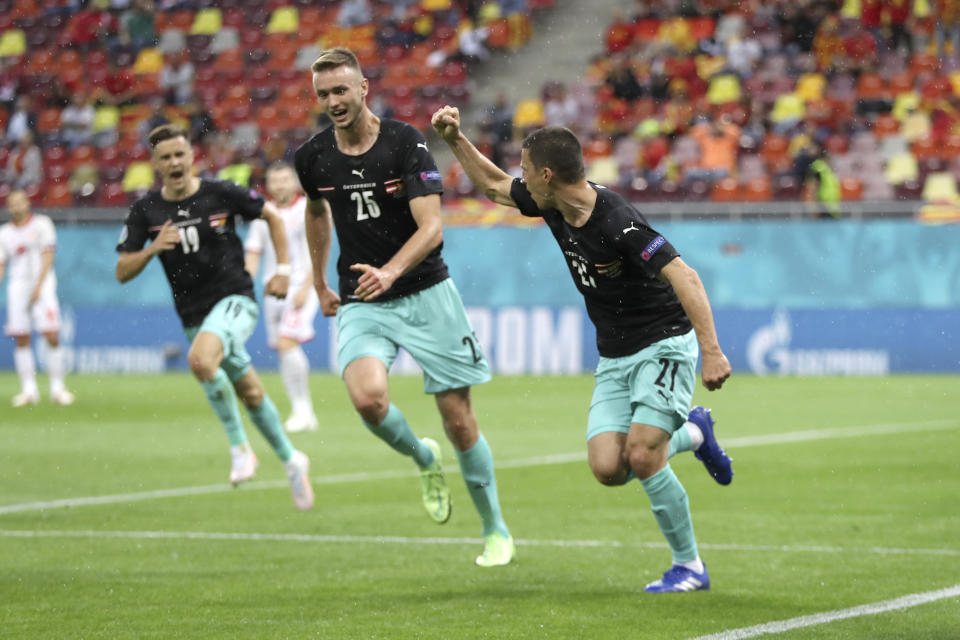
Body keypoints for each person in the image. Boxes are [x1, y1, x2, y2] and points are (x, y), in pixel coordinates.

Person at [432, 106, 735, 592]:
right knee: (608, 468)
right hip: (615, 354)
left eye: (527, 171)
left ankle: (690, 566)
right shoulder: (551, 203)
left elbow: (684, 274)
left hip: (663, 342)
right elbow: (492, 186)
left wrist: (712, 350)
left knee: (641, 454)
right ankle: (695, 433)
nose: (521, 179)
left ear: (547, 175)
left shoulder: (617, 221)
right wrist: (455, 139)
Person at [295, 47, 513, 566]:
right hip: (362, 298)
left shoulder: (404, 143)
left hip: (424, 291)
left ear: (363, 88)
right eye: (324, 94)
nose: (333, 101)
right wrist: (319, 281)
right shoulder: (312, 157)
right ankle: (422, 456)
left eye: (341, 90)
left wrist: (391, 270)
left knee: (458, 418)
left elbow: (432, 227)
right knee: (367, 399)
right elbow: (316, 212)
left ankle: (495, 529)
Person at [115, 124, 314, 511]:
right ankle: (292, 460)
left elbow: (272, 216)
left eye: (179, 154)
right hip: (193, 314)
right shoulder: (146, 211)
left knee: (200, 361)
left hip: (236, 300)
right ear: (155, 164)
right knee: (250, 391)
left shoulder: (220, 193)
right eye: (165, 157)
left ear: (191, 156)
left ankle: (241, 449)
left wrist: (284, 270)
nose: (174, 162)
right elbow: (122, 270)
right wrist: (153, 247)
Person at [244, 162, 319, 433]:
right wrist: (244, 285)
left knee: (288, 342)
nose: (280, 185)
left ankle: (303, 410)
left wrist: (308, 286)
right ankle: (303, 412)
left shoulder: (307, 209)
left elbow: (317, 249)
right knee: (283, 351)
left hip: (300, 286)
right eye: (274, 181)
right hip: (272, 290)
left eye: (285, 180)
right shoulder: (262, 214)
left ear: (294, 182)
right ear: (268, 184)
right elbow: (254, 252)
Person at [0, 190, 75, 407]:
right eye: (11, 203)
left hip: (43, 286)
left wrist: (39, 286)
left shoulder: (42, 224)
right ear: (8, 207)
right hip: (17, 288)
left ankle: (58, 389)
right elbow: (2, 265)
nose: (16, 207)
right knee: (22, 338)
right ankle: (29, 391)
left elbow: (48, 256)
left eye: (19, 202)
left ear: (27, 203)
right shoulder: (4, 233)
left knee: (51, 335)